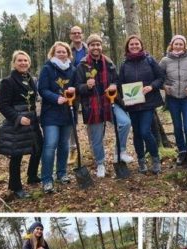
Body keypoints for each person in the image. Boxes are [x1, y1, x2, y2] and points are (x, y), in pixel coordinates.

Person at [75, 34, 133, 178]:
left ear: (101, 46)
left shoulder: (109, 63)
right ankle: (100, 163)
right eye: (92, 45)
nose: (96, 47)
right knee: (96, 138)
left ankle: (119, 152)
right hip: (92, 105)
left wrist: (113, 85)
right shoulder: (82, 65)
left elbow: (116, 80)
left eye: (98, 44)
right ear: (88, 47)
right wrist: (86, 86)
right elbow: (77, 87)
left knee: (125, 122)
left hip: (109, 101)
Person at [0, 50, 43, 199]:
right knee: (17, 155)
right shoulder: (8, 81)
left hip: (32, 121)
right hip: (17, 124)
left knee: (38, 147)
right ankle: (16, 187)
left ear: (29, 63)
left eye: (25, 61)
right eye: (20, 61)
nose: (23, 63)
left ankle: (32, 175)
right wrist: (17, 118)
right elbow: (3, 106)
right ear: (14, 63)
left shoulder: (30, 79)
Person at [119, 35, 165, 174]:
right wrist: (123, 99)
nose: (134, 46)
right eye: (131, 44)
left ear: (141, 45)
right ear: (128, 47)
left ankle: (155, 158)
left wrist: (151, 87)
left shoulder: (149, 60)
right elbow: (120, 84)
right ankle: (141, 161)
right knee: (137, 133)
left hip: (148, 103)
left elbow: (161, 78)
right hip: (132, 103)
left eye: (136, 44)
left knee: (145, 131)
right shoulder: (124, 64)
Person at [38, 41, 76, 193]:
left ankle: (62, 173)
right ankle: (47, 179)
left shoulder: (72, 69)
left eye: (64, 51)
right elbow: (42, 89)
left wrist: (74, 91)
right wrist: (55, 98)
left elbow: (76, 87)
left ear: (68, 53)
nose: (61, 54)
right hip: (51, 113)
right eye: (58, 52)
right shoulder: (47, 69)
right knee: (50, 145)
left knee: (64, 145)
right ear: (53, 53)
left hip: (67, 113)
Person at [159, 35, 187, 169]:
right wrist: (164, 86)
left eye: (180, 44)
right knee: (177, 127)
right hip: (172, 99)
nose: (178, 46)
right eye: (176, 44)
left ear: (185, 45)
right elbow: (159, 77)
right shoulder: (165, 60)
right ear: (171, 45)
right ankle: (182, 152)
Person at [67, 25, 88, 165]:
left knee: (92, 118)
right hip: (73, 90)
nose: (76, 35)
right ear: (70, 36)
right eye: (74, 33)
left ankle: (94, 147)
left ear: (82, 35)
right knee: (72, 120)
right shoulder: (67, 51)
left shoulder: (89, 49)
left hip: (87, 88)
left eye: (78, 33)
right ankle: (73, 149)